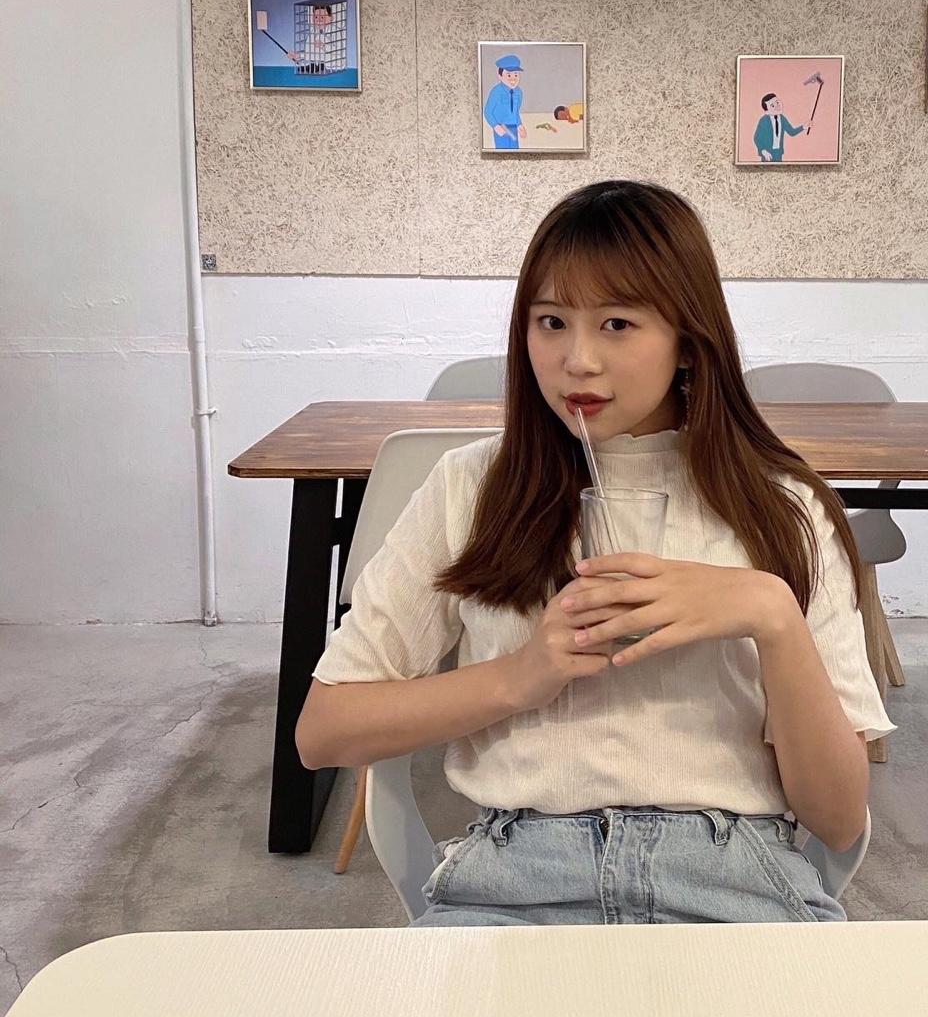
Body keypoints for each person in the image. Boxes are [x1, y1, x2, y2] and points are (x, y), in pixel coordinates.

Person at [297, 180, 894, 926]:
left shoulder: (782, 508)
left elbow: (837, 819)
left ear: (687, 339)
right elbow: (324, 731)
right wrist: (521, 676)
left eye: (617, 323)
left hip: (737, 878)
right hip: (514, 881)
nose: (577, 360)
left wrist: (771, 614)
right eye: (551, 322)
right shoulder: (471, 486)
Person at [483, 53, 526, 149]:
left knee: (515, 151)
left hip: (513, 127)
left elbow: (516, 112)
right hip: (501, 127)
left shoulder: (519, 92)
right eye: (509, 75)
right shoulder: (496, 91)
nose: (513, 79)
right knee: (502, 151)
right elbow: (487, 111)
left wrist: (520, 125)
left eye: (516, 75)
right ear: (500, 76)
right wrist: (495, 126)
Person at [753, 93, 807, 162]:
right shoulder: (763, 120)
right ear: (767, 111)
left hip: (778, 152)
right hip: (767, 153)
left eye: (777, 102)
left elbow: (791, 132)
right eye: (772, 105)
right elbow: (757, 138)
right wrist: (763, 151)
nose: (777, 106)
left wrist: (803, 127)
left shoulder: (782, 118)